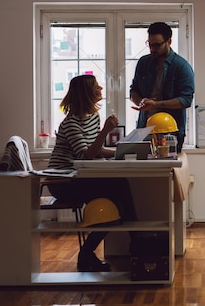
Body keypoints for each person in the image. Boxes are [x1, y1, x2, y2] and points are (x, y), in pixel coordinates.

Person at [47, 74, 138, 272]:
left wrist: (123, 152)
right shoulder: (70, 123)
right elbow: (85, 155)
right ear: (87, 94)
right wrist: (105, 131)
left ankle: (89, 254)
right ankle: (136, 240)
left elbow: (95, 150)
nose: (101, 89)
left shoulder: (93, 117)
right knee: (119, 188)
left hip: (78, 178)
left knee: (118, 201)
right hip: (61, 182)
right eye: (97, 87)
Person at [130, 22, 195, 153]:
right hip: (144, 128)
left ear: (169, 41)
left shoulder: (181, 66)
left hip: (171, 131)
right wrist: (141, 102)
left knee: (165, 170)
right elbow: (133, 91)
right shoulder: (143, 63)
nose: (152, 49)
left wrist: (156, 104)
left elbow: (185, 100)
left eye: (157, 45)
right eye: (149, 44)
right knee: (144, 170)